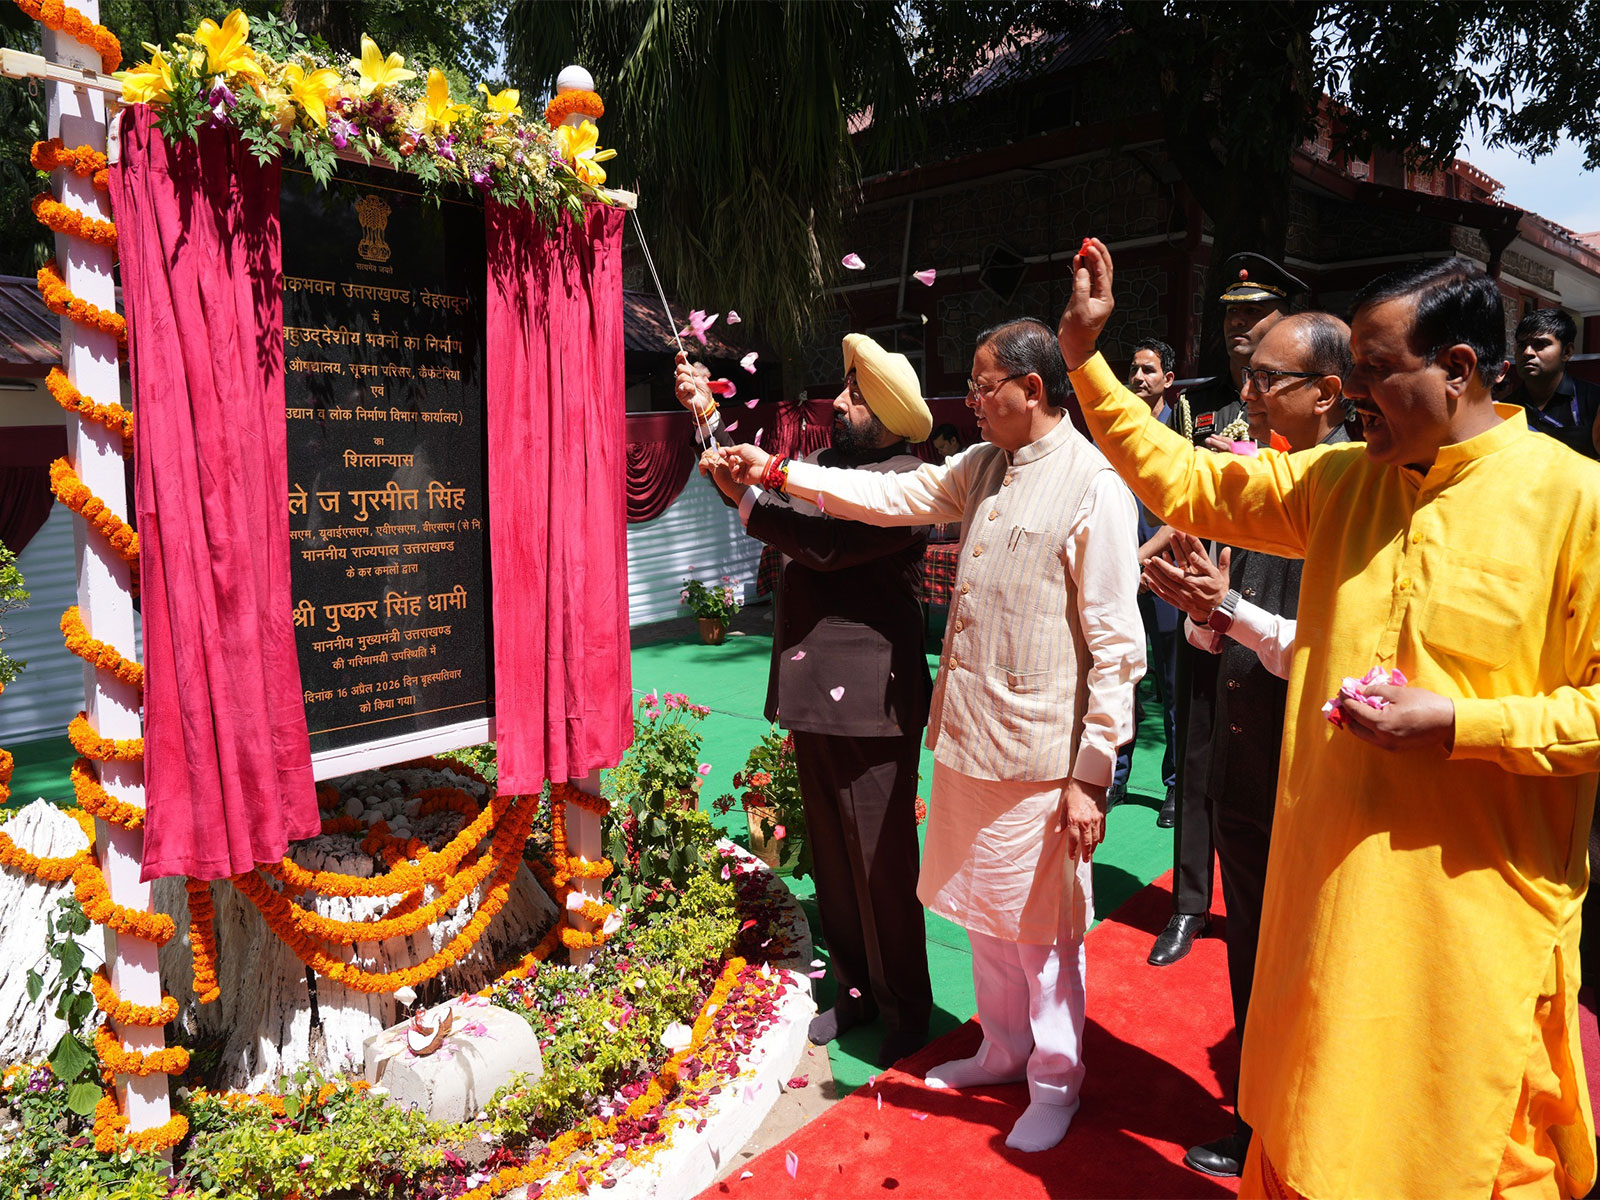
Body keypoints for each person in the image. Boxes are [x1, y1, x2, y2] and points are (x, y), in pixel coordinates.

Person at [1060, 237, 1600, 1200]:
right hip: (1328, 908)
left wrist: (1462, 724)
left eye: (1375, 376)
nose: (1349, 397)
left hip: (1466, 936)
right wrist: (1085, 360)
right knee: (1307, 1139)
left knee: (1455, 1158)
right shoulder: (1342, 482)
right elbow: (1192, 485)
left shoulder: (1572, 501)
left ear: (1460, 369)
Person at [715, 317, 1145, 1153]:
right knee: (986, 909)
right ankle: (1002, 1047)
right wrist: (773, 469)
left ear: (1031, 390)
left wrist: (1095, 771)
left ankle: (1055, 1078)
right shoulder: (984, 466)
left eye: (985, 387)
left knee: (1045, 928)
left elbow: (1119, 647)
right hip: (974, 734)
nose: (972, 402)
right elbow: (888, 496)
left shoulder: (1093, 484)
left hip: (1045, 753)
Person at [673, 335, 935, 1069]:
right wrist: (706, 421)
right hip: (819, 692)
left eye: (855, 397)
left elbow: (816, 543)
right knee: (834, 856)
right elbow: (757, 491)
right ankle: (852, 990)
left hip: (873, 704)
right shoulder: (833, 470)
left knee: (881, 862)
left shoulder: (905, 481)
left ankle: (905, 1008)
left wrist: (756, 491)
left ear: (886, 417)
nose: (840, 404)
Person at [1141, 312, 1353, 1180]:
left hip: (1308, 769)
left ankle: (1305, 1131)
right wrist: (1204, 612)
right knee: (1252, 952)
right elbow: (1220, 621)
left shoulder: (1349, 489)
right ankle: (1254, 1119)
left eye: (1269, 380)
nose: (1249, 396)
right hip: (1241, 753)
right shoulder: (1256, 473)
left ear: (1329, 394)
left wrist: (1228, 614)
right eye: (1249, 376)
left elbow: (1337, 646)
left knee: (1308, 963)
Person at [1151, 254, 1308, 968]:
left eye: (1255, 314)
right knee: (1196, 747)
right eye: (1231, 314)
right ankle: (1188, 903)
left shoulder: (1308, 412)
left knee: (1258, 763)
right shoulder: (1203, 406)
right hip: (1203, 594)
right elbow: (1182, 500)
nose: (1239, 326)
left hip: (1273, 601)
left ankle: (1271, 900)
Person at [1108, 338, 1179, 813]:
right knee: (1120, 677)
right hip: (1117, 574)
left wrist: (1138, 558)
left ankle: (1176, 782)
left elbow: (1189, 512)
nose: (1138, 378)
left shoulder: (1186, 435)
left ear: (1167, 379)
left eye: (1148, 370)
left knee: (1173, 682)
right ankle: (1115, 776)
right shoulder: (1116, 432)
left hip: (1168, 571)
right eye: (1133, 369)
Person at [1501, 308, 1600, 459]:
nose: (1527, 352)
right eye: (1522, 345)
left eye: (1540, 344)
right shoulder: (1506, 409)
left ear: (1567, 352)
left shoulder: (1593, 400)